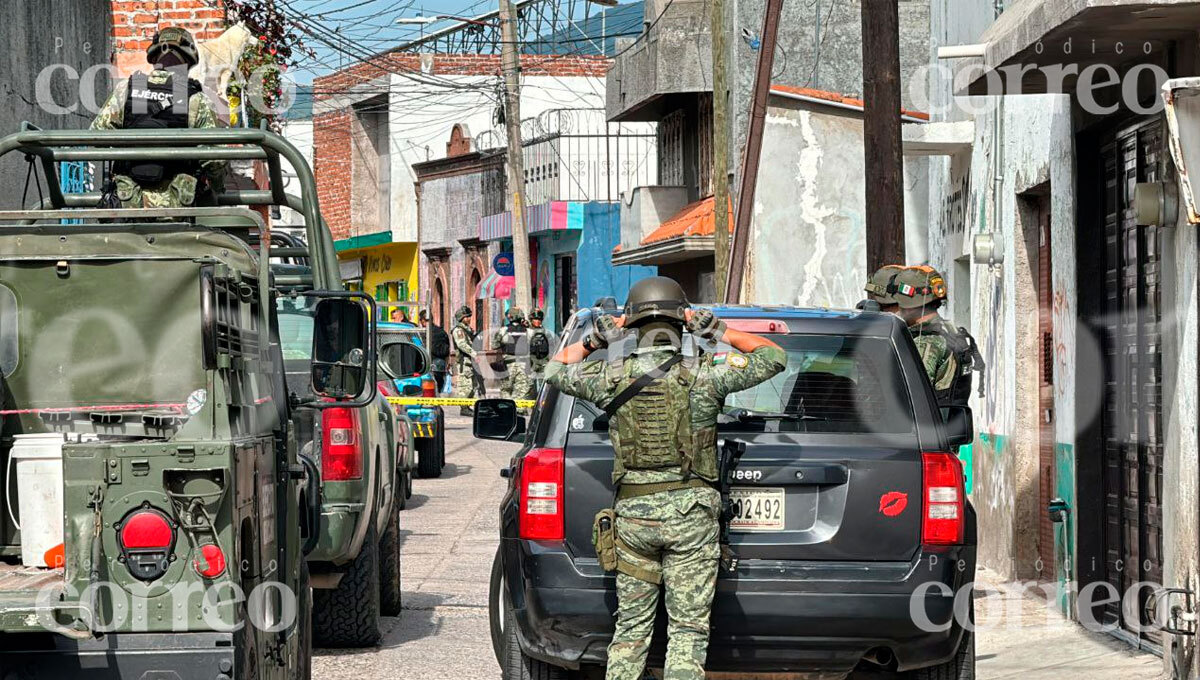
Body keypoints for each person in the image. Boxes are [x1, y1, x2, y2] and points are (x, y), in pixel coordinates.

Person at [545, 277, 786, 680]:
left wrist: (597, 339)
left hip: (634, 519)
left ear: (632, 324)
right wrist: (714, 328)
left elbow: (554, 369)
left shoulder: (610, 376)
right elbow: (774, 357)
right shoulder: (708, 374)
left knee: (630, 629)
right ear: (682, 320)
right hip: (692, 518)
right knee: (688, 630)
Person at [91, 27, 225, 209]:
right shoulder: (195, 98)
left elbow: (97, 134)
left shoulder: (127, 89)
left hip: (128, 202)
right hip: (178, 206)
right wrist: (218, 189)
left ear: (154, 59)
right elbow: (214, 159)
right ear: (188, 61)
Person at [890, 265, 984, 406]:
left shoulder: (925, 342)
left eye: (899, 303)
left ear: (909, 305)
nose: (898, 308)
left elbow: (912, 396)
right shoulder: (949, 329)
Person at [492, 306, 534, 402]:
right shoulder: (529, 331)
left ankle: (507, 409)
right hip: (523, 365)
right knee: (521, 390)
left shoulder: (503, 330)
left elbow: (494, 345)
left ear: (510, 317)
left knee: (506, 389)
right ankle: (518, 410)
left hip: (508, 365)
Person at [451, 305, 482, 415]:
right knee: (465, 386)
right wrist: (474, 354)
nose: (469, 318)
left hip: (470, 362)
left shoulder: (467, 330)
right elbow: (462, 344)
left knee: (473, 386)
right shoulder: (458, 330)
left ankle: (467, 407)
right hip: (464, 362)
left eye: (469, 316)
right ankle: (464, 408)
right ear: (461, 318)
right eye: (467, 316)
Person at [420, 309, 451, 393]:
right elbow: (448, 349)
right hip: (440, 366)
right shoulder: (442, 332)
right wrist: (448, 363)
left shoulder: (422, 333)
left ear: (423, 321)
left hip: (426, 366)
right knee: (439, 390)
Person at [527, 308, 554, 389]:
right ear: (531, 320)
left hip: (544, 361)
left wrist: (551, 360)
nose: (537, 321)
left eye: (539, 319)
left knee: (544, 385)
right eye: (535, 319)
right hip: (531, 361)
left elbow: (551, 346)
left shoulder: (546, 332)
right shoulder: (527, 332)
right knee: (529, 386)